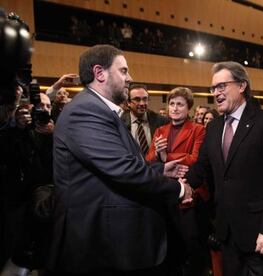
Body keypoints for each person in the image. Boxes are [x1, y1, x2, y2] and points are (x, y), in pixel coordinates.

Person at [48, 44, 193, 275]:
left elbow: (124, 161)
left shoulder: (100, 110)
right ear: (99, 73)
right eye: (124, 71)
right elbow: (124, 170)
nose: (130, 78)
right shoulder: (85, 110)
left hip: (111, 239)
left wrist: (160, 169)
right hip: (98, 241)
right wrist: (178, 189)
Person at [186, 61, 263, 275]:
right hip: (225, 233)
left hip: (258, 234)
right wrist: (183, 185)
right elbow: (202, 166)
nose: (216, 93)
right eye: (213, 88)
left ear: (242, 86)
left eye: (221, 86)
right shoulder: (214, 126)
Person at [146, 87, 209, 276]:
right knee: (170, 243)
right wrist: (159, 155)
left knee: (191, 242)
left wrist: (165, 157)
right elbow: (148, 161)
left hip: (190, 192)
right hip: (165, 192)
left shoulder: (198, 130)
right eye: (172, 104)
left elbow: (196, 159)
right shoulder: (160, 130)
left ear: (188, 108)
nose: (174, 108)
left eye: (180, 104)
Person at [121, 83, 169, 156]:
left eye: (145, 99)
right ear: (128, 103)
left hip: (156, 165)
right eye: (137, 99)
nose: (142, 103)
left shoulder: (161, 121)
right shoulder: (120, 122)